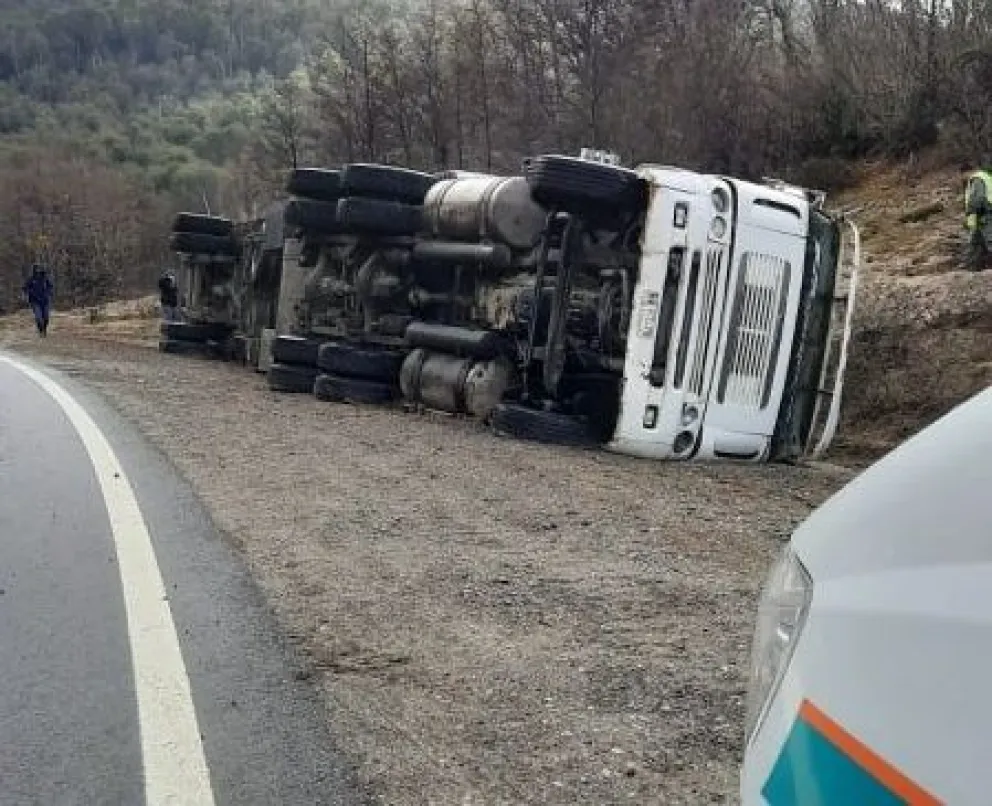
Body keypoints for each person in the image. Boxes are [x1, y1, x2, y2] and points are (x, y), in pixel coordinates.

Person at [963, 165, 992, 271]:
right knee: (975, 242)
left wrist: (970, 210)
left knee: (989, 240)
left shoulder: (977, 178)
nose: (963, 179)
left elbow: (978, 198)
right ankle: (971, 269)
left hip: (985, 213)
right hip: (981, 215)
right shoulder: (985, 176)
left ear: (966, 172)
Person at [22, 264, 54, 337]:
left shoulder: (45, 278)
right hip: (35, 301)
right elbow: (25, 288)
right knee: (38, 318)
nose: (38, 272)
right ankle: (41, 331)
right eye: (37, 270)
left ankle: (44, 329)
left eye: (39, 270)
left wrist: (49, 293)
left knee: (46, 317)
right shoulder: (31, 279)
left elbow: (50, 287)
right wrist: (29, 292)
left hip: (45, 301)